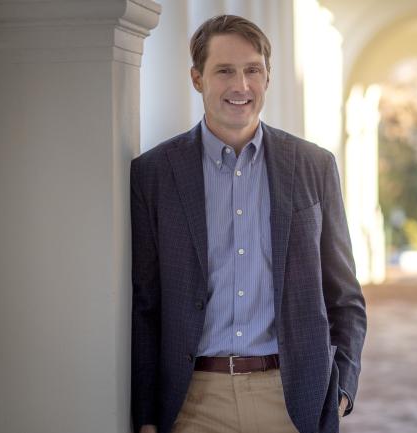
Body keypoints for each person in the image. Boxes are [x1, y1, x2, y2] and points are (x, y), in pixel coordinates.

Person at [131, 14, 366, 433]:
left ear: (267, 77)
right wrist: (147, 414)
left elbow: (344, 296)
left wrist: (342, 387)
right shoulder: (154, 174)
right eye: (224, 71)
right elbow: (146, 304)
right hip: (193, 403)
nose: (241, 86)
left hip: (291, 400)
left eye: (252, 70)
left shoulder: (314, 166)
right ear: (197, 78)